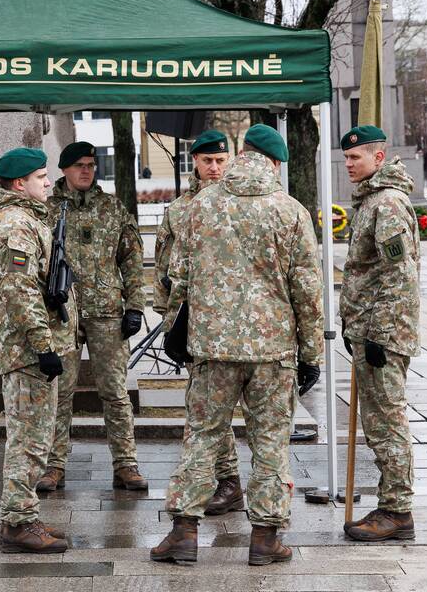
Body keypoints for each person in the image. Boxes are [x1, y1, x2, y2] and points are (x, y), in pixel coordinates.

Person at [150, 124, 323, 567]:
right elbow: (307, 290)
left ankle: (184, 533)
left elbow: (178, 275)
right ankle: (265, 538)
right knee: (269, 443)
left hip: (213, 347)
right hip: (272, 350)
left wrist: (174, 329)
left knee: (202, 438)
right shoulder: (290, 211)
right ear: (276, 163)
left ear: (241, 154)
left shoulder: (200, 207)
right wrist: (311, 355)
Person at [37, 141, 148, 493]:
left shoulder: (111, 208)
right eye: (79, 165)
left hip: (106, 313)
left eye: (91, 165)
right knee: (60, 392)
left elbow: (131, 260)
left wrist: (135, 306)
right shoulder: (47, 209)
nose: (87, 171)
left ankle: (126, 464)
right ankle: (54, 465)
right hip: (63, 314)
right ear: (65, 170)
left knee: (115, 393)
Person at [0, 147, 75, 553]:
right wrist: (43, 345)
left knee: (35, 437)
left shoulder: (28, 220)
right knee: (28, 439)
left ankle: (25, 516)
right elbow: (19, 291)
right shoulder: (16, 226)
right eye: (41, 176)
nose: (48, 182)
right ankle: (18, 522)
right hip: (28, 352)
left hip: (33, 348)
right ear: (20, 184)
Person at [153, 130, 243, 516]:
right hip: (196, 321)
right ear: (195, 162)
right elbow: (165, 267)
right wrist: (168, 317)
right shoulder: (179, 210)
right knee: (208, 407)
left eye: (221, 160)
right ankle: (228, 479)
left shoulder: (244, 202)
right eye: (208, 161)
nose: (215, 168)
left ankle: (233, 480)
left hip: (240, 320)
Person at [339, 124, 420, 542]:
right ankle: (391, 504)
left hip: (382, 336)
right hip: (368, 328)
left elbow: (399, 274)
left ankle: (397, 511)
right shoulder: (371, 201)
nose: (349, 164)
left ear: (379, 158)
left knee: (387, 422)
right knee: (378, 422)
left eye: (356, 157)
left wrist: (378, 334)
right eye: (347, 158)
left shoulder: (387, 203)